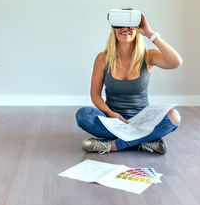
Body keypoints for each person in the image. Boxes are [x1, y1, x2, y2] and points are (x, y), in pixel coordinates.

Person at [75, 9, 183, 155]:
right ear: (113, 28)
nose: (125, 29)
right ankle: (143, 142)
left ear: (137, 29)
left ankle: (113, 145)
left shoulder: (148, 56)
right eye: (120, 25)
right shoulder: (102, 58)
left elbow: (176, 62)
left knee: (174, 116)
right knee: (83, 115)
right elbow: (95, 95)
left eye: (130, 25)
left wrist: (150, 34)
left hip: (142, 121)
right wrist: (110, 113)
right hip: (114, 120)